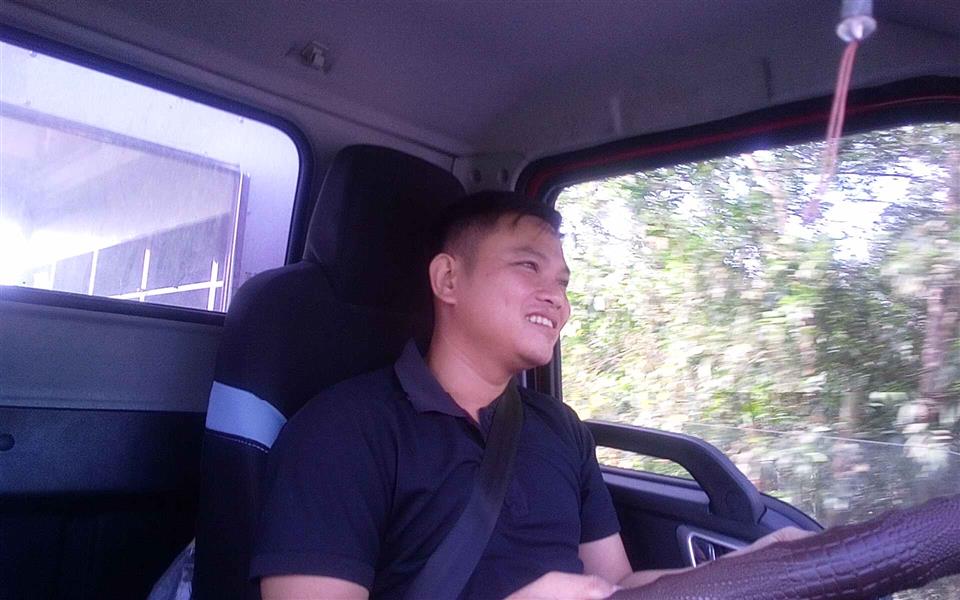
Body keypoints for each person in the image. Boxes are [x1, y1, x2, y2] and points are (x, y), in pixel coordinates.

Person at [251, 191, 807, 599]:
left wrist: (743, 572)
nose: (556, 298)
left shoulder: (561, 429)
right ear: (448, 280)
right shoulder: (341, 431)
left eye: (562, 282)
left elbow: (614, 584)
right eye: (528, 266)